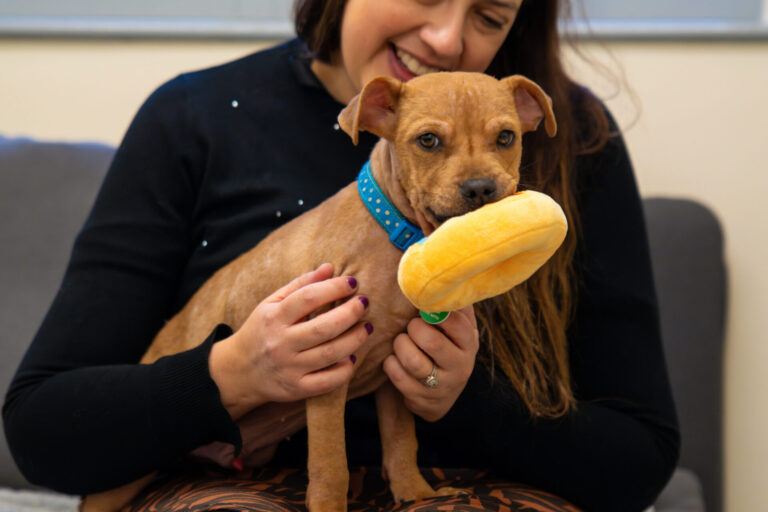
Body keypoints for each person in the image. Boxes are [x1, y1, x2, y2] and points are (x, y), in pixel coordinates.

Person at [2, 0, 680, 510]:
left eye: (489, 12)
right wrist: (230, 375)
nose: (447, 39)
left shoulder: (576, 136)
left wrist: (465, 400)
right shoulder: (192, 119)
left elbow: (641, 459)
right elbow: (44, 430)